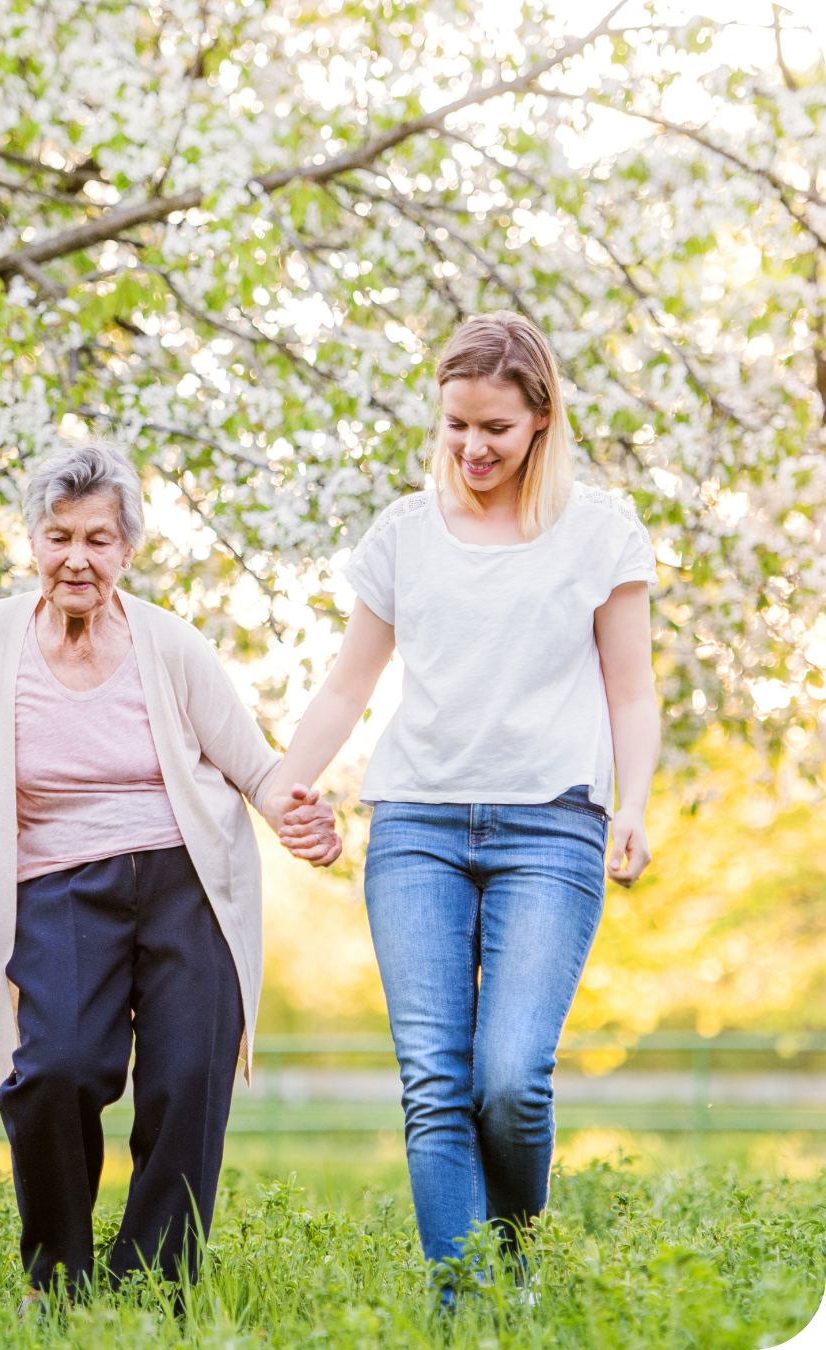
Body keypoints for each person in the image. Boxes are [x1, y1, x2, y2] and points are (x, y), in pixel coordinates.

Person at [271, 311, 659, 1287]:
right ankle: (462, 1306)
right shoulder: (403, 535)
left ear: (540, 419)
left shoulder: (601, 530)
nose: (473, 447)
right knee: (435, 1084)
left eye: (494, 427)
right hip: (415, 826)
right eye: (456, 425)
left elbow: (631, 689)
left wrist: (635, 805)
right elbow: (346, 686)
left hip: (554, 826)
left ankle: (514, 1264)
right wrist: (285, 783)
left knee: (510, 1078)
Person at [0, 442, 340, 1305]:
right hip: (59, 887)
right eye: (59, 535)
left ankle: (154, 1286)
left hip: (188, 880)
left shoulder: (170, 645)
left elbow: (254, 769)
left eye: (99, 540)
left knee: (187, 1082)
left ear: (128, 550)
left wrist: (297, 815)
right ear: (31, 539)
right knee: (57, 1071)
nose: (77, 558)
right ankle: (57, 1279)